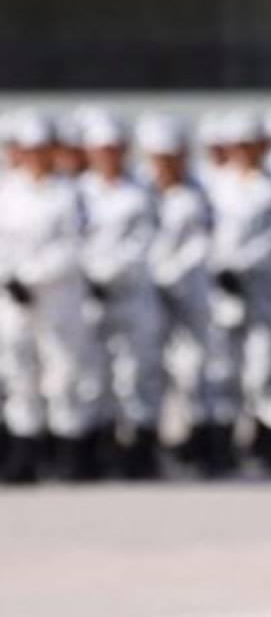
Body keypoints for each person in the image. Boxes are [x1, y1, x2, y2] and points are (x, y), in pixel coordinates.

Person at [0, 111, 106, 481]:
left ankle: (69, 450)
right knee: (18, 370)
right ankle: (24, 451)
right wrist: (9, 277)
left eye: (43, 149)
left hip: (59, 296)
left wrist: (31, 276)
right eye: (29, 149)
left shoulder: (70, 193)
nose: (35, 156)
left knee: (64, 372)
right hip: (14, 299)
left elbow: (74, 246)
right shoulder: (8, 191)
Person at [207, 110, 271, 471]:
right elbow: (205, 233)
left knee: (266, 368)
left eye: (250, 145)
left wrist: (240, 265)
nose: (244, 152)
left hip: (265, 292)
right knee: (223, 368)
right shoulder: (216, 185)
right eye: (238, 145)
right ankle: (223, 443)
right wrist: (218, 266)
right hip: (223, 292)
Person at [137, 114, 233, 476]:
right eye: (158, 157)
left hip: (190, 297)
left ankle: (206, 442)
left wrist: (166, 276)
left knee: (196, 369)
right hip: (147, 298)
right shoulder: (141, 192)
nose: (165, 164)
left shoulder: (197, 196)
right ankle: (147, 445)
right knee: (146, 369)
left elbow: (200, 246)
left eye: (171, 157)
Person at [78, 110, 168, 479]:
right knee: (92, 374)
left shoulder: (139, 193)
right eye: (101, 149)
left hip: (132, 296)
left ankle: (141, 449)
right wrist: (86, 276)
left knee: (137, 374)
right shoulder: (79, 192)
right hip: (89, 298)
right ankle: (99, 448)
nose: (107, 156)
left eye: (113, 149)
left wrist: (105, 275)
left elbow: (141, 245)